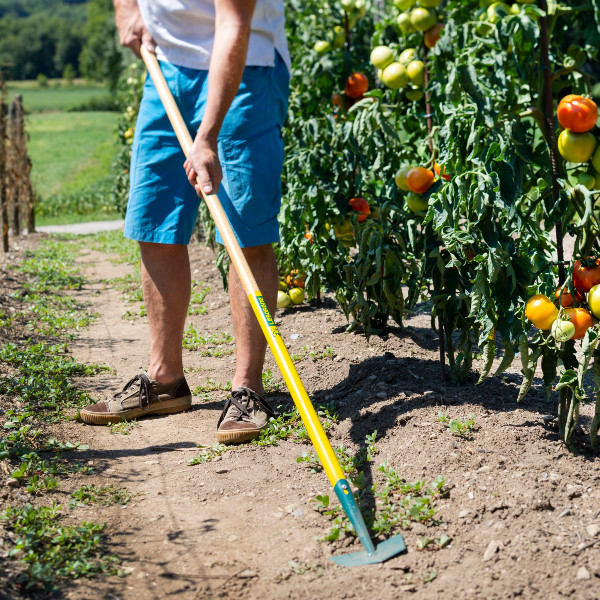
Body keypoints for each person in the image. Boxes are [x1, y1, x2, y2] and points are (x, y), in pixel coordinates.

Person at [80, 0, 290, 444]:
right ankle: (164, 382)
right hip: (168, 67)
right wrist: (126, 9)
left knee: (244, 232)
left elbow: (234, 24)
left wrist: (207, 137)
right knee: (153, 222)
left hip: (245, 67)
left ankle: (248, 388)